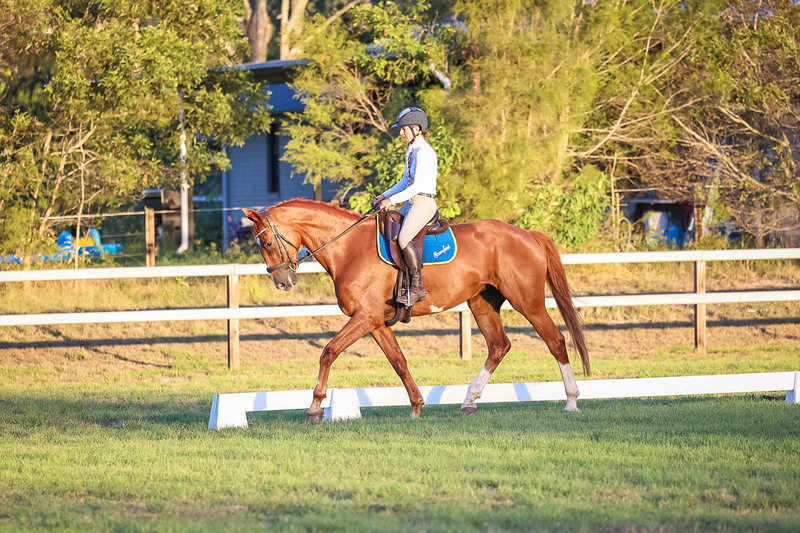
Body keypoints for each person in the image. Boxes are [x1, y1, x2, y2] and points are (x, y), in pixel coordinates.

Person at [374, 107, 438, 306]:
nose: (401, 133)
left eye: (404, 129)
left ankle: (417, 288)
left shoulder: (425, 152)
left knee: (403, 238)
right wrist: (385, 195)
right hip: (412, 202)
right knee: (388, 227)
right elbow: (405, 181)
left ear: (416, 128)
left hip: (424, 203)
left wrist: (391, 201)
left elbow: (417, 186)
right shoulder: (412, 150)